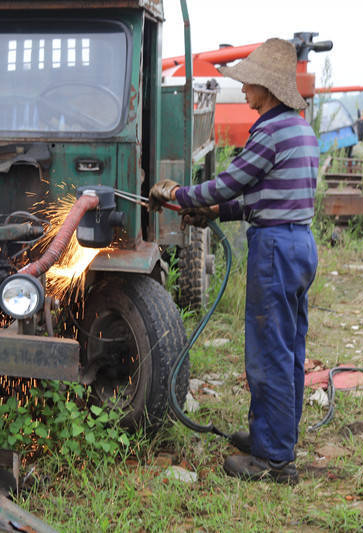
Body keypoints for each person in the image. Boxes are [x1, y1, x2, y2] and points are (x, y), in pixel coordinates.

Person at [150, 38, 319, 484]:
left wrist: (178, 194)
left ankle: (274, 461)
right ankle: (274, 436)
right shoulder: (301, 130)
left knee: (267, 352)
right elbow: (264, 199)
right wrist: (214, 213)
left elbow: (231, 182)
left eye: (248, 84)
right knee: (290, 347)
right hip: (300, 243)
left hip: (276, 250)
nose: (242, 91)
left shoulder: (269, 131)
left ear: (267, 88)